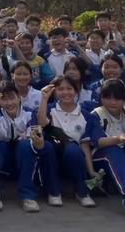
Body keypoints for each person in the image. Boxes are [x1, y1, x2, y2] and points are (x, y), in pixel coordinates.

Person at [0, 81, 57, 212]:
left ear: (19, 97)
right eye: (4, 99)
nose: (9, 103)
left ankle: (27, 196)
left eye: (12, 97)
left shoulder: (29, 114)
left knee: (25, 145)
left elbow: (33, 136)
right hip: (3, 160)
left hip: (24, 159)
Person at [37, 76, 103, 207]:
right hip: (51, 158)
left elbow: (85, 146)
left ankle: (82, 192)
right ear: (54, 91)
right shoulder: (50, 109)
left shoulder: (85, 115)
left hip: (74, 160)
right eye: (60, 89)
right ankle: (53, 192)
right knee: (48, 145)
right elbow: (42, 124)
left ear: (76, 91)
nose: (65, 92)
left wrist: (90, 171)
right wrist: (44, 98)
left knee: (73, 148)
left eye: (69, 88)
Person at [91, 79, 125, 206]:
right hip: (99, 156)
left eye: (117, 99)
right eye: (108, 98)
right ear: (101, 98)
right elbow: (98, 142)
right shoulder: (97, 114)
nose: (112, 102)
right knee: (113, 150)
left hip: (121, 152)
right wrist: (118, 139)